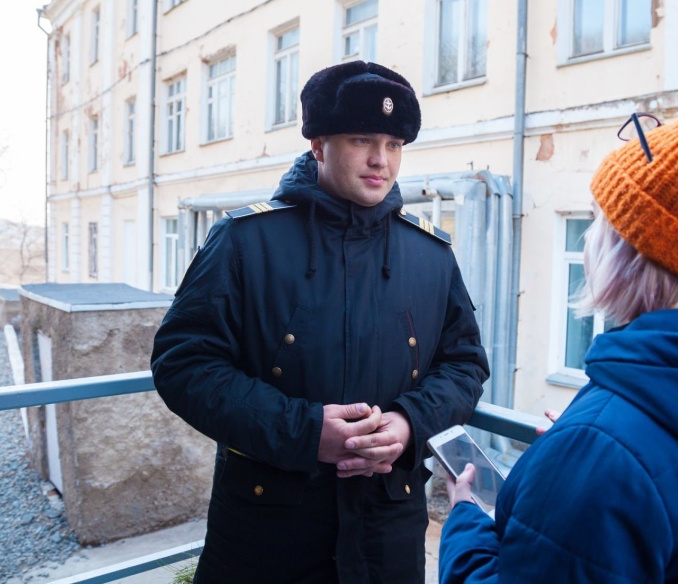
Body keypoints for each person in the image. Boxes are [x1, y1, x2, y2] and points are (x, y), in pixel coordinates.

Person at [438, 52, 678, 582]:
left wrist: (466, 517)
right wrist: (584, 447)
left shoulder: (601, 456)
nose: (586, 240)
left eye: (597, 221)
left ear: (630, 252)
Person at [151, 60, 489, 583]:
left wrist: (409, 423)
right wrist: (305, 432)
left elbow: (465, 365)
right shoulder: (244, 241)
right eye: (362, 140)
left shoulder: (430, 254)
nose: (380, 160)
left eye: (394, 144)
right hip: (267, 541)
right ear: (318, 145)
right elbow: (183, 365)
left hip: (387, 540)